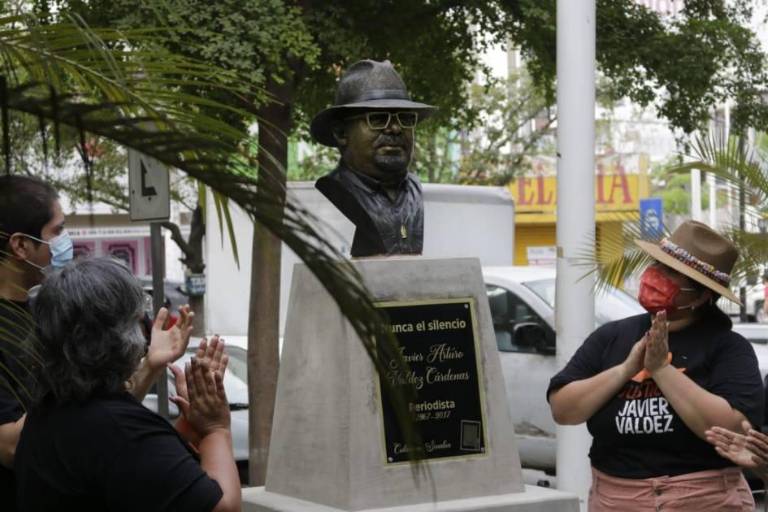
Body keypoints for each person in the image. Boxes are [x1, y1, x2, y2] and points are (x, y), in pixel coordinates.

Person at [0, 175, 191, 512]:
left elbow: (91, 411)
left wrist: (151, 365)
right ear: (20, 246)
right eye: (57, 231)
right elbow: (13, 447)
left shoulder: (51, 308)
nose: (65, 241)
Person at [548, 220, 763, 511]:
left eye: (672, 272)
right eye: (656, 265)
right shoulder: (612, 337)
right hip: (616, 499)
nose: (655, 275)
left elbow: (731, 430)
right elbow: (563, 409)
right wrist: (624, 370)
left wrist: (662, 369)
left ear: (701, 296)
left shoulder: (728, 347)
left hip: (704, 500)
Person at [14, 257, 241, 511]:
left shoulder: (48, 411)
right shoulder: (116, 429)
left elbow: (130, 466)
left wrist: (189, 425)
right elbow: (222, 507)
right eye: (138, 318)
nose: (144, 330)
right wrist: (215, 428)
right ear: (118, 334)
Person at [310, 59, 436, 257]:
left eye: (405, 119)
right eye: (377, 118)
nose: (395, 128)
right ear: (342, 133)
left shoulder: (416, 192)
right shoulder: (332, 193)